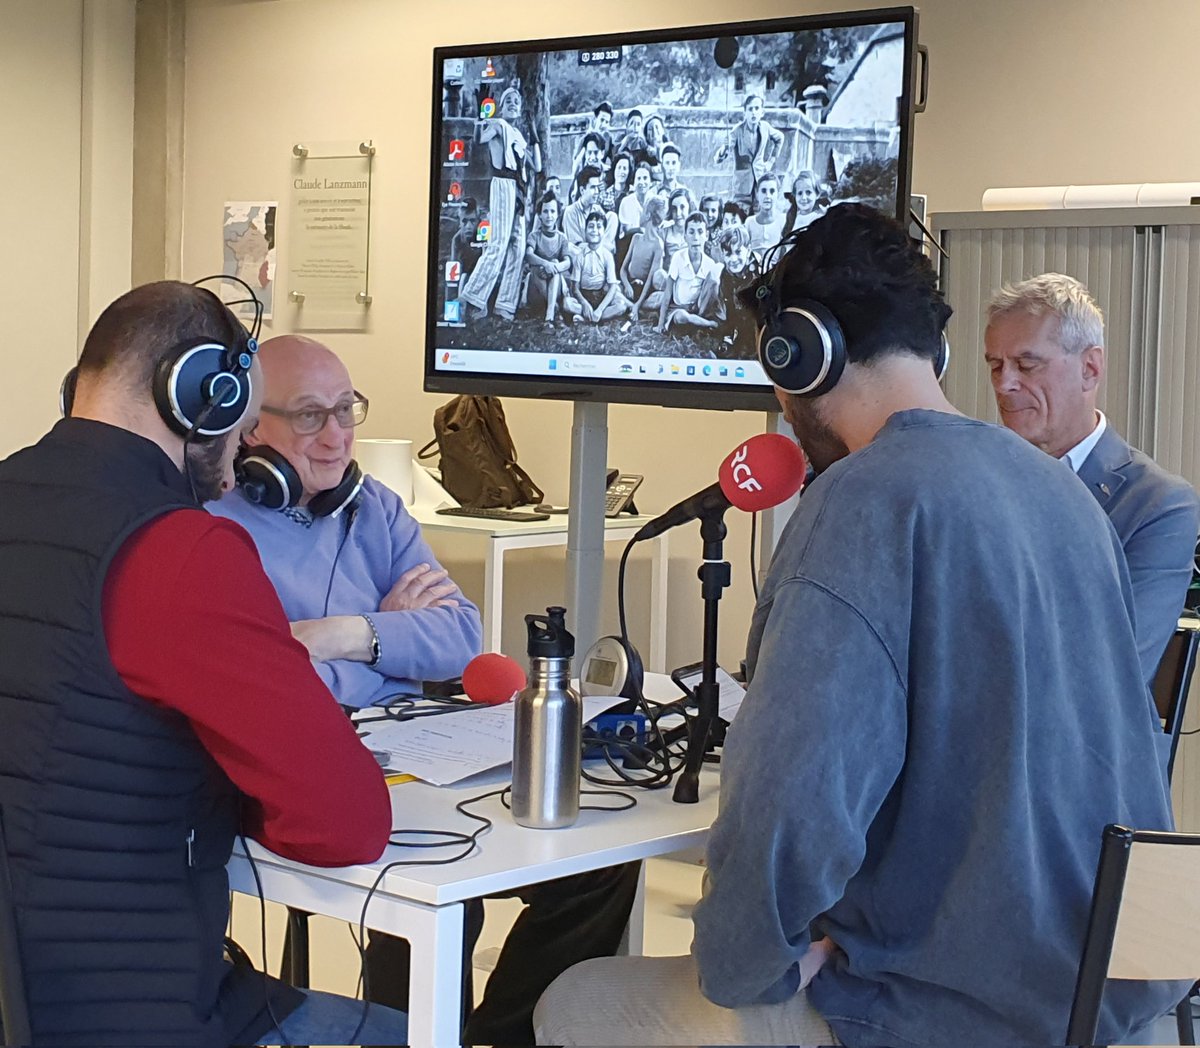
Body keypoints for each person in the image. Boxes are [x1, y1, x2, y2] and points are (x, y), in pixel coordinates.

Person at [533, 204, 1182, 1047]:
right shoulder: (1064, 493)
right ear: (937, 353)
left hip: (951, 1015)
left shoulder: (863, 500)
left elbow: (792, 800)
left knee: (576, 1001)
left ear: (796, 355)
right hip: (1105, 1001)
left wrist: (752, 969)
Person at [0, 281, 408, 1045]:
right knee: (413, 1032)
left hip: (28, 993)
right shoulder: (183, 552)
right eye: (241, 418)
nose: (240, 450)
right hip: (132, 1008)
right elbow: (347, 823)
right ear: (200, 399)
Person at [211, 334, 640, 1046]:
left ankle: (495, 1039)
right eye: (311, 416)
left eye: (346, 409)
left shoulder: (371, 507)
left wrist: (343, 634)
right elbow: (259, 671)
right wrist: (391, 641)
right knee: (443, 888)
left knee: (601, 866)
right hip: (303, 768)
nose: (338, 434)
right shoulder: (214, 522)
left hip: (414, 747)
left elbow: (461, 636)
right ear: (253, 427)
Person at [985, 272, 1200, 684]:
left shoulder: (1158, 504)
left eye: (1026, 364)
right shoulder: (976, 481)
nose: (1005, 383)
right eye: (995, 365)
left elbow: (1117, 671)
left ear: (1089, 368)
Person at [459, 85, 539, 321]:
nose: (513, 102)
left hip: (520, 190)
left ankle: (505, 304)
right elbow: (479, 139)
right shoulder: (498, 125)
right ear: (502, 107)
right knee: (498, 243)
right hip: (503, 183)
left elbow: (538, 166)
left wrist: (534, 135)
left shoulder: (519, 136)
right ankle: (473, 298)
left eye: (517, 100)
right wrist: (482, 115)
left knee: (518, 246)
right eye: (508, 100)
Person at [655, 210, 722, 334]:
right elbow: (668, 292)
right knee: (681, 317)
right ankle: (707, 324)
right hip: (678, 307)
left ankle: (701, 319)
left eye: (700, 232)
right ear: (685, 236)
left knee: (715, 276)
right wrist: (661, 323)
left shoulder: (709, 263)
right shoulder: (678, 257)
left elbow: (711, 291)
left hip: (698, 307)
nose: (696, 237)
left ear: (707, 235)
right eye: (691, 232)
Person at [712, 93, 784, 203]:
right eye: (750, 109)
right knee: (740, 215)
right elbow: (720, 156)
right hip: (742, 185)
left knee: (759, 214)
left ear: (762, 112)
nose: (753, 112)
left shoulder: (765, 127)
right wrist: (724, 149)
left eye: (757, 108)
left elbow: (780, 138)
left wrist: (771, 161)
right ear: (745, 112)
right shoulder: (737, 131)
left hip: (760, 181)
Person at [563, 210, 630, 325]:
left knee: (621, 306)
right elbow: (575, 287)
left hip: (601, 296)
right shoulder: (580, 256)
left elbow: (613, 287)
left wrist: (600, 309)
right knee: (567, 303)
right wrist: (584, 303)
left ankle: (590, 318)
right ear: (585, 231)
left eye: (599, 227)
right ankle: (592, 316)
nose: (594, 230)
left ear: (604, 232)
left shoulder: (607, 256)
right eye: (591, 227)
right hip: (584, 295)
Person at [525, 192, 571, 327]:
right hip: (537, 289)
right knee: (535, 267)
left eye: (552, 211)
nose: (549, 215)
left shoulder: (562, 237)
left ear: (557, 214)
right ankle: (554, 310)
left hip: (556, 289)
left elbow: (567, 262)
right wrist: (546, 265)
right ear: (539, 215)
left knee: (556, 264)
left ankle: (549, 316)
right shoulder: (534, 236)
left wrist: (553, 267)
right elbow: (528, 255)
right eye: (545, 211)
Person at [745, 172, 787, 256]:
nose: (767, 196)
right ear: (757, 194)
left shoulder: (784, 220)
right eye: (763, 191)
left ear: (777, 194)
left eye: (772, 191)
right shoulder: (749, 222)